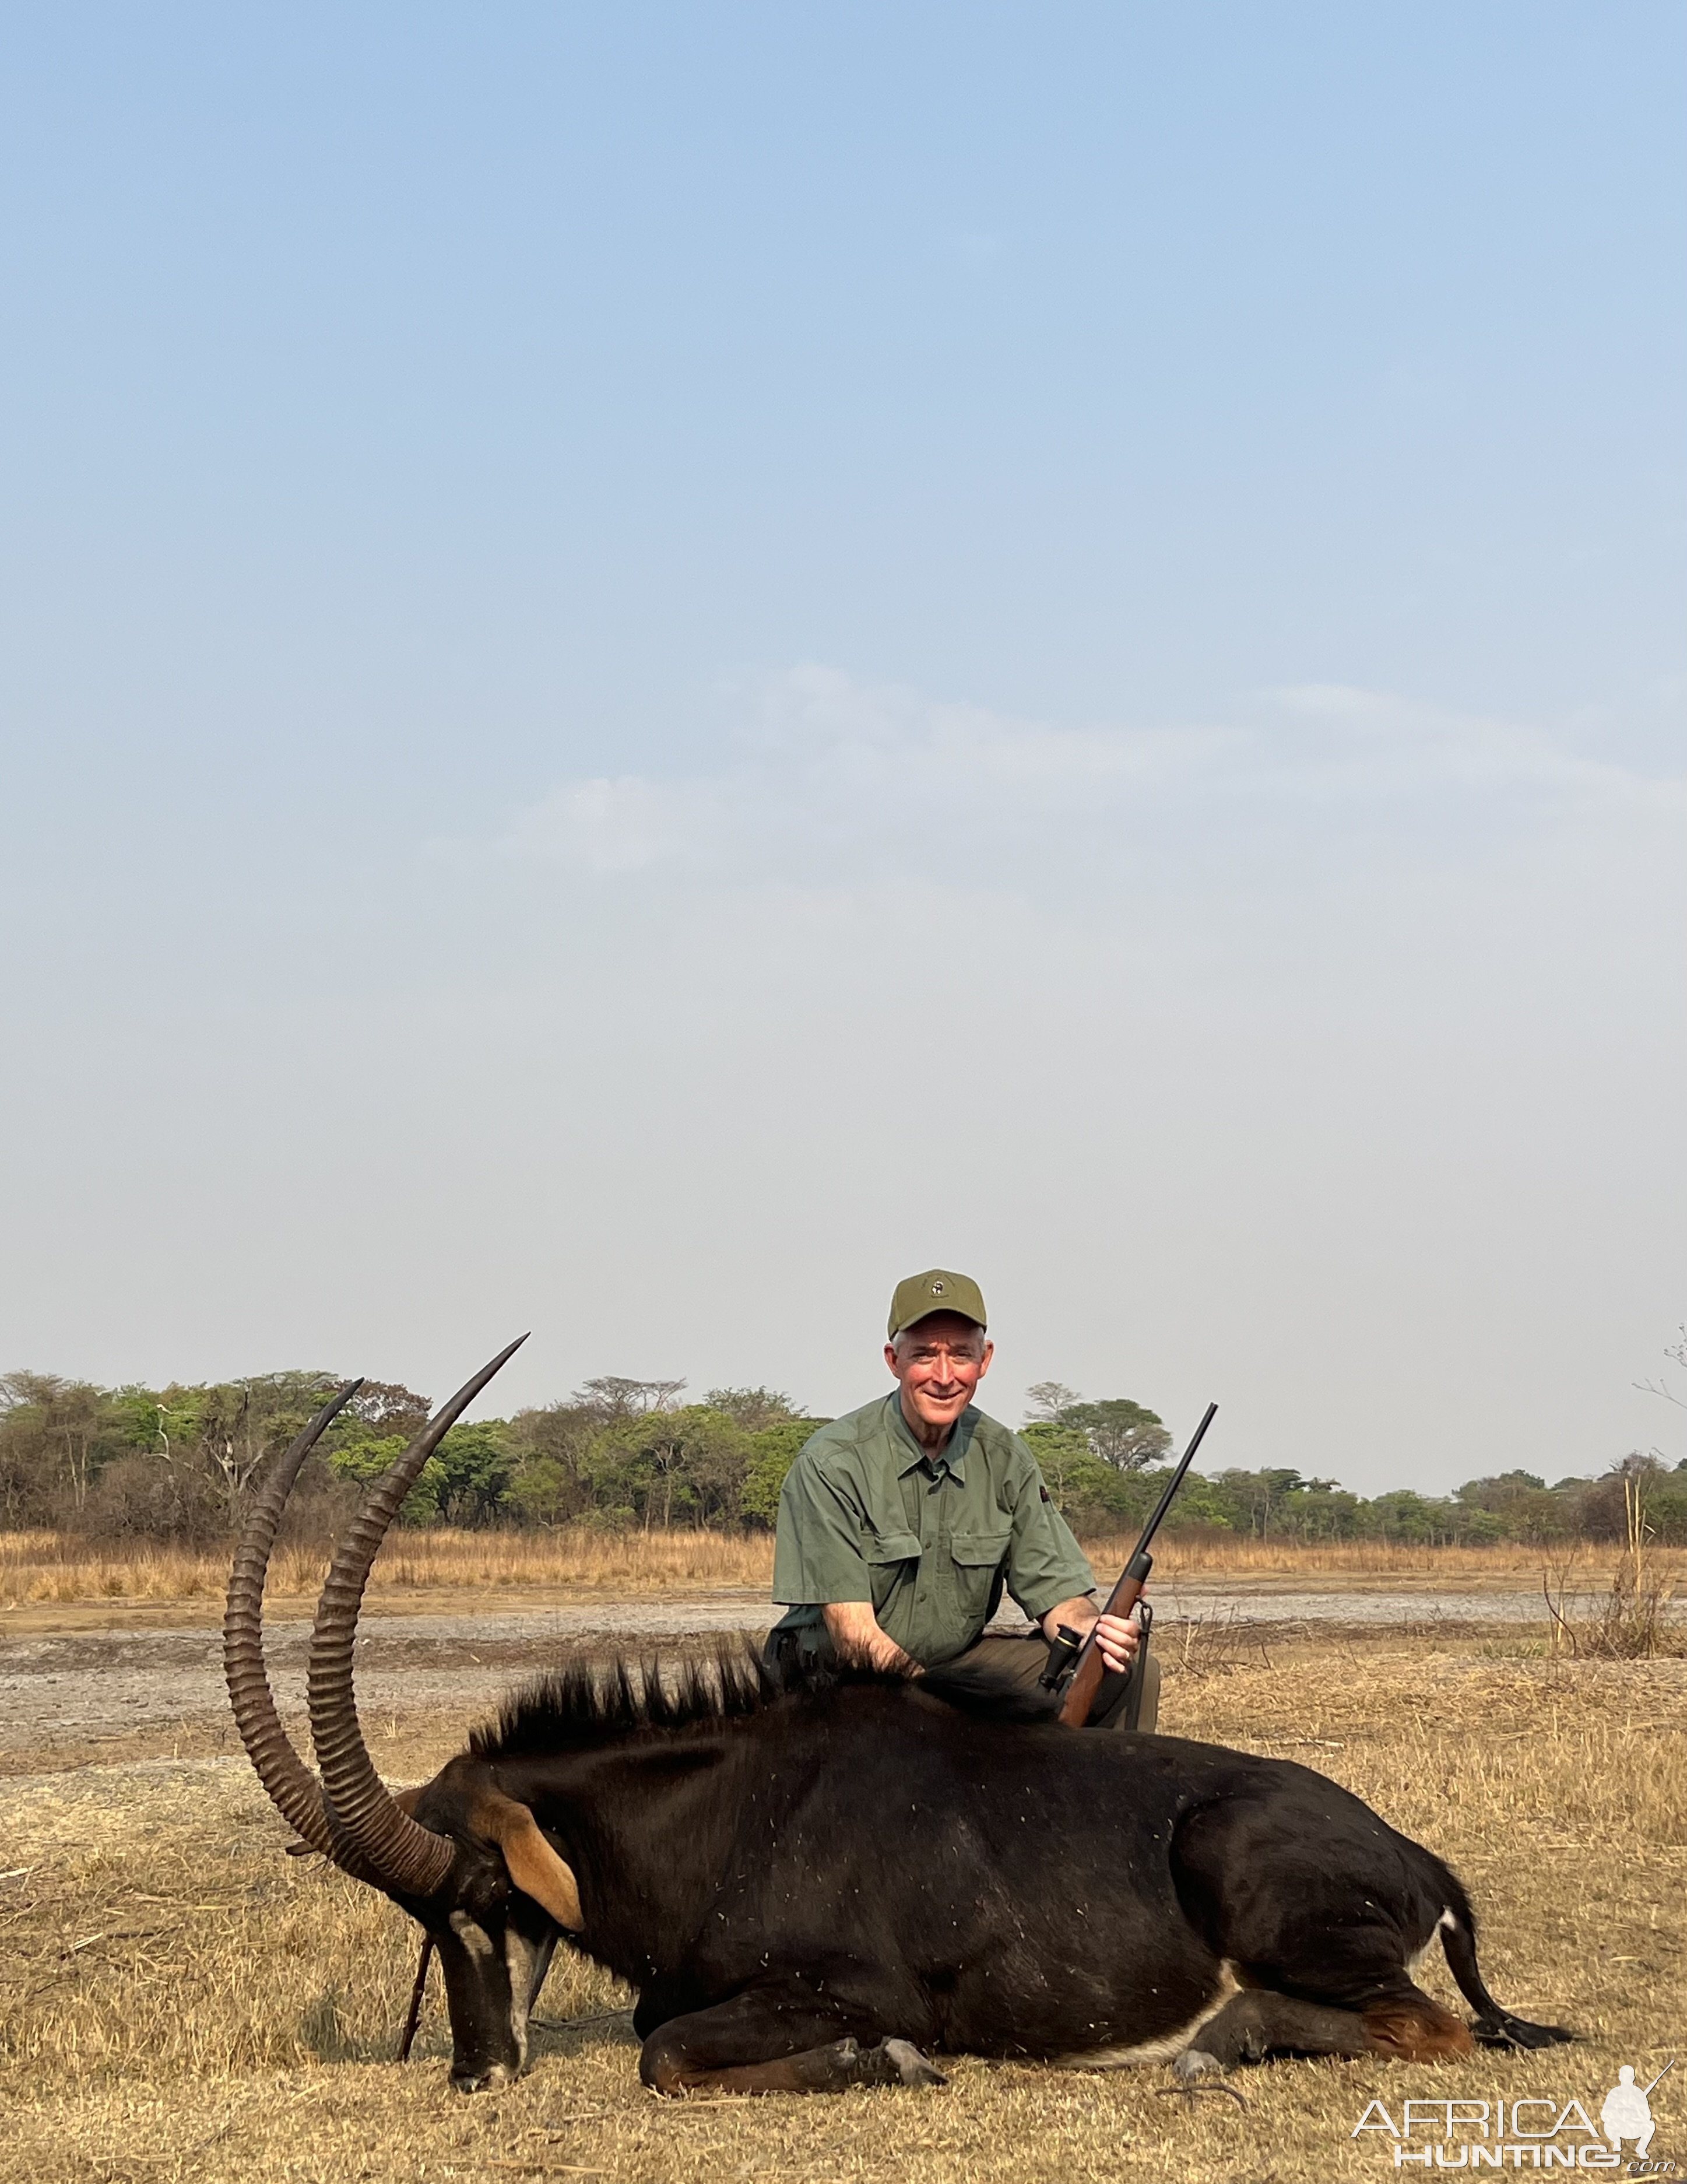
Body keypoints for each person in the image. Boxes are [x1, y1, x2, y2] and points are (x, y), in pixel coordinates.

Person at [768, 1269, 1159, 1730]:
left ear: (985, 1359)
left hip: (948, 1667)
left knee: (1123, 1670)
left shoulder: (1006, 1457)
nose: (944, 1376)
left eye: (960, 1355)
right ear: (893, 1360)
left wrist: (1094, 1630)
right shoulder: (831, 1463)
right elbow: (855, 1638)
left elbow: (1060, 1599)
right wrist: (951, 1706)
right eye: (925, 1355)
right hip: (836, 1677)